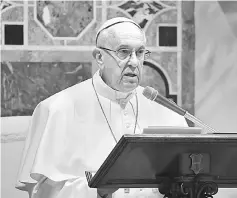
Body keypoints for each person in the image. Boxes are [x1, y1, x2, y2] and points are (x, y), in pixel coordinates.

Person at [16, 17, 188, 198]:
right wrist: (97, 189)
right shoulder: (57, 109)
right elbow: (40, 192)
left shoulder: (164, 109)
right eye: (124, 52)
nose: (134, 62)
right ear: (99, 57)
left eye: (140, 53)